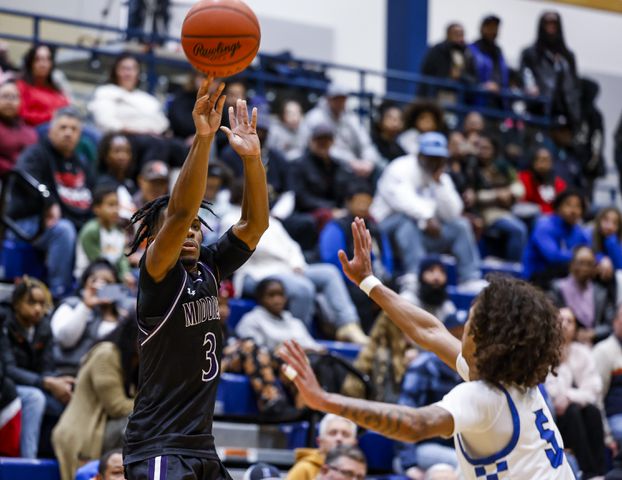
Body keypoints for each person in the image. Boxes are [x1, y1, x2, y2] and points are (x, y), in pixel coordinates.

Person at [279, 217, 575, 479]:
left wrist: (325, 400)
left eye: (470, 323)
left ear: (487, 338)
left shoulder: (483, 397)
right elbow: (430, 330)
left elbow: (415, 424)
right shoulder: (513, 382)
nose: (462, 332)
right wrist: (369, 283)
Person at [122, 76, 269, 479]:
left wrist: (252, 160)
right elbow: (182, 211)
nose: (188, 231)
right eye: (177, 227)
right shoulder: (157, 274)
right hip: (158, 445)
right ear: (155, 238)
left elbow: (255, 225)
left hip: (201, 445)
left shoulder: (209, 266)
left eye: (194, 228)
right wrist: (203, 138)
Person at [219, 182, 368, 345]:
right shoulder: (230, 218)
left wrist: (296, 263)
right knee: (303, 288)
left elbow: (292, 246)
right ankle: (299, 340)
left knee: (329, 273)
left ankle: (348, 325)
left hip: (287, 268)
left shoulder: (270, 220)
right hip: (256, 272)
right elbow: (247, 246)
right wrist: (287, 261)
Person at [371, 132, 483, 289]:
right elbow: (403, 202)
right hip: (387, 228)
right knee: (406, 221)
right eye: (430, 156)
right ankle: (415, 275)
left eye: (438, 158)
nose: (433, 161)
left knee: (460, 225)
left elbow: (453, 212)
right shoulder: (400, 167)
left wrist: (439, 185)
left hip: (422, 232)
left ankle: (469, 278)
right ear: (420, 154)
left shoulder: (440, 176)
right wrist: (428, 218)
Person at [8, 106, 93, 299]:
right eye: (63, 127)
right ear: (51, 130)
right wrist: (49, 202)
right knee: (64, 230)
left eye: (73, 129)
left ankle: (92, 292)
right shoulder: (36, 154)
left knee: (97, 229)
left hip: (70, 220)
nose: (68, 133)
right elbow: (23, 179)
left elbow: (94, 194)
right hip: (31, 222)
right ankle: (59, 294)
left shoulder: (81, 162)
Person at [52, 318, 138, 480]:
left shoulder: (137, 361)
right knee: (136, 422)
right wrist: (156, 406)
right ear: (133, 335)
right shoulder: (106, 354)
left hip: (104, 429)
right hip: (84, 432)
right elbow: (117, 406)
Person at [0, 277, 74, 458]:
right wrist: (46, 382)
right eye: (31, 302)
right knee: (35, 398)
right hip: (7, 387)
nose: (38, 309)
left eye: (42, 304)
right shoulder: (4, 323)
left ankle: (57, 457)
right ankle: (28, 461)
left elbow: (47, 367)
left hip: (34, 384)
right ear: (17, 303)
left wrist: (58, 380)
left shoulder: (44, 327)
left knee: (68, 396)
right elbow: (8, 369)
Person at [396, 314, 465, 479]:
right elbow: (406, 414)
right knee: (465, 466)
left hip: (457, 448)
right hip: (423, 448)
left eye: (464, 335)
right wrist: (409, 464)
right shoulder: (424, 366)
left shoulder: (473, 370)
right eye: (455, 335)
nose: (459, 341)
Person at [319, 181, 393, 331]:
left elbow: (387, 258)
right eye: (359, 201)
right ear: (348, 202)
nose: (363, 206)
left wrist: (384, 281)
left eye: (367, 202)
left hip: (375, 277)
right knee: (361, 296)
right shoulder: (336, 226)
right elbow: (332, 258)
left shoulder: (376, 228)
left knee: (395, 289)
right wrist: (359, 281)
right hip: (350, 280)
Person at [545, 307, 606, 478]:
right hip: (556, 418)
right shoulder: (545, 353)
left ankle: (600, 472)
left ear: (576, 328)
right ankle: (587, 472)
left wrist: (570, 396)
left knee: (592, 411)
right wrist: (562, 365)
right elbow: (552, 394)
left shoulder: (583, 353)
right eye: (560, 320)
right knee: (572, 413)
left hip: (578, 411)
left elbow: (593, 390)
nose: (564, 325)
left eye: (569, 321)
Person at [51, 259, 133, 377]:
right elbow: (64, 340)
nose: (101, 287)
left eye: (108, 283)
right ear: (85, 283)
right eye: (95, 281)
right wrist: (86, 306)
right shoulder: (70, 305)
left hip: (112, 376)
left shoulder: (124, 312)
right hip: (71, 374)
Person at [300, 84, 383, 180]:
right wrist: (351, 162)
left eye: (343, 99)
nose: (340, 102)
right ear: (328, 99)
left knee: (380, 167)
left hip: (357, 163)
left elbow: (366, 144)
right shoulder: (315, 117)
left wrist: (368, 162)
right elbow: (319, 148)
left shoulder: (351, 118)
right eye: (336, 99)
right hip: (328, 161)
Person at [464, 134, 527, 262]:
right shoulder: (472, 168)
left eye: (487, 148)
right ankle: (513, 269)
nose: (484, 151)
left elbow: (519, 187)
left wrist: (509, 192)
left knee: (534, 214)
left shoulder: (502, 166)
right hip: (486, 212)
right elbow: (475, 195)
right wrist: (497, 194)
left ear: (494, 150)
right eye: (481, 148)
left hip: (508, 208)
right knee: (519, 229)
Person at [520, 11, 580, 130]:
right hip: (538, 110)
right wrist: (531, 87)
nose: (551, 26)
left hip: (565, 113)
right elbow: (525, 75)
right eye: (547, 23)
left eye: (554, 23)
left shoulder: (568, 56)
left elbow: (574, 86)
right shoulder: (530, 54)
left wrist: (575, 114)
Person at [522, 189, 590, 289]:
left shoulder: (578, 230)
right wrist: (580, 258)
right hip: (536, 278)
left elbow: (591, 251)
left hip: (563, 275)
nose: (573, 210)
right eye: (568, 205)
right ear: (558, 207)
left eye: (578, 206)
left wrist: (601, 261)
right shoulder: (544, 225)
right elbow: (553, 257)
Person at [236, 279, 322, 352]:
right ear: (260, 298)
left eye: (280, 295)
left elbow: (315, 347)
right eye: (271, 295)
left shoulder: (295, 322)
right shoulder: (251, 320)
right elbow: (254, 352)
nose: (277, 300)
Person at [552, 247, 615, 344]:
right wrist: (575, 334)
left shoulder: (601, 292)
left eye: (589, 264)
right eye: (580, 263)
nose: (585, 268)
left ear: (595, 268)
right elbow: (552, 321)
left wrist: (593, 333)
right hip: (564, 341)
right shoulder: (558, 289)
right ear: (572, 265)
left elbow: (611, 323)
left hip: (594, 343)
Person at [75, 185, 134, 285]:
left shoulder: (119, 230)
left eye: (117, 205)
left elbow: (121, 258)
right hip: (89, 279)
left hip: (113, 278)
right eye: (111, 205)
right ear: (96, 209)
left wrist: (126, 274)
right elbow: (98, 262)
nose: (116, 209)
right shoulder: (91, 230)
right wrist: (120, 277)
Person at [286, 414, 358, 480]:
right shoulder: (303, 469)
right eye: (333, 433)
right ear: (319, 441)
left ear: (354, 443)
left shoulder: (358, 471)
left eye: (345, 434)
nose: (339, 438)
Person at [16, 43, 70, 126]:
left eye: (47, 59)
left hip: (62, 126)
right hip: (37, 129)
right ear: (30, 63)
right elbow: (22, 115)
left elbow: (67, 105)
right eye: (38, 59)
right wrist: (50, 116)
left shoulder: (55, 86)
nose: (43, 64)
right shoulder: (22, 86)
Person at [419, 23, 476, 100]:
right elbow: (427, 73)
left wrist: (461, 76)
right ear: (448, 34)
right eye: (455, 33)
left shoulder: (468, 54)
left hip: (461, 96)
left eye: (461, 34)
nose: (459, 37)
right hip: (439, 93)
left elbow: (474, 78)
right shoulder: (437, 50)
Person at [593, 306, 622, 446]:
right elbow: (597, 397)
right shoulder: (603, 351)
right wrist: (607, 436)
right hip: (615, 416)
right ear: (615, 322)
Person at [95, 132, 137, 222]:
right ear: (106, 156)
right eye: (117, 151)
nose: (122, 156)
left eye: (127, 151)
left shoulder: (130, 183)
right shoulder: (103, 183)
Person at [0, 79, 37, 178]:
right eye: (5, 96)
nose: (9, 101)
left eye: (14, 97)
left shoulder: (29, 131)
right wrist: (14, 170)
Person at [468, 15, 509, 100]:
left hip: (498, 101)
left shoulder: (499, 52)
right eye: (489, 27)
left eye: (495, 28)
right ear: (482, 28)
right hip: (476, 100)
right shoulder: (472, 49)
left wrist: (498, 85)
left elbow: (502, 75)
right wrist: (483, 85)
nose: (492, 31)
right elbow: (467, 74)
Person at [518, 147, 566, 214]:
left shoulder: (559, 183)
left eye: (546, 160)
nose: (542, 164)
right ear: (533, 162)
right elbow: (522, 202)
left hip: (553, 217)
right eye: (539, 160)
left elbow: (562, 206)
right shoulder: (523, 178)